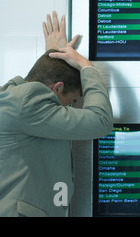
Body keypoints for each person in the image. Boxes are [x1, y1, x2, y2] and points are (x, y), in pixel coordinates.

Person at [0, 11, 113, 217]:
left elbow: (37, 84)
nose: (70, 108)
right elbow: (100, 121)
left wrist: (53, 55)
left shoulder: (14, 98)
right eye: (72, 101)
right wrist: (86, 66)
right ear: (57, 88)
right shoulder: (26, 103)